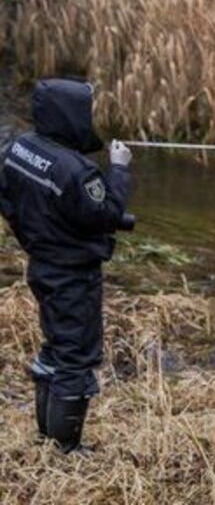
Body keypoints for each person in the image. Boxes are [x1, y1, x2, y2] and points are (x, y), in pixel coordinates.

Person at [0, 79, 134, 452]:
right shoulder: (78, 172)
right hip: (73, 275)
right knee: (76, 356)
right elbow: (108, 213)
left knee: (55, 347)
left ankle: (47, 439)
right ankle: (64, 449)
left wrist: (38, 236)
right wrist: (120, 169)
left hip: (41, 265)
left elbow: (9, 200)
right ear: (70, 115)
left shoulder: (20, 148)